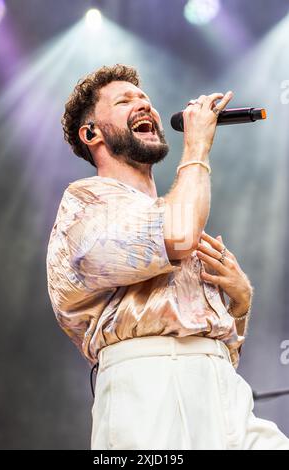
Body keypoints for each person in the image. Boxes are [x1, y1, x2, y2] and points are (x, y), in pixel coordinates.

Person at [46, 64, 289, 450]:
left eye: (146, 100)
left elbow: (216, 340)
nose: (145, 106)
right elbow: (176, 235)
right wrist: (196, 147)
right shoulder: (84, 205)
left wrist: (240, 303)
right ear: (91, 133)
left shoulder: (170, 209)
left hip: (223, 388)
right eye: (125, 101)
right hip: (148, 386)